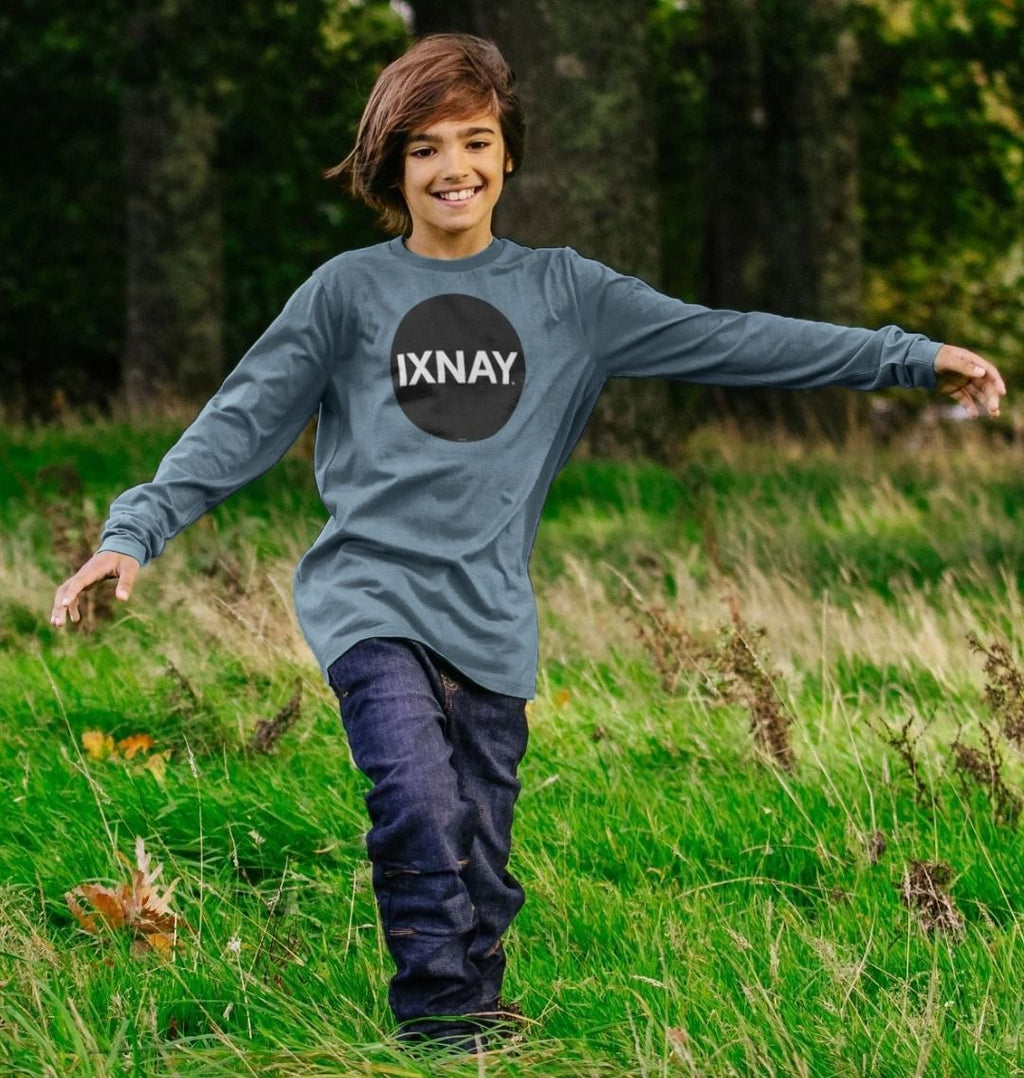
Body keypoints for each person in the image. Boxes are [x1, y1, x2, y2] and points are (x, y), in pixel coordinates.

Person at [51, 32, 1006, 1058]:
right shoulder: (345, 293)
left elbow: (733, 337)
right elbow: (240, 422)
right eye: (424, 148)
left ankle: (477, 1005)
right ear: (391, 166)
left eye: (474, 140)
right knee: (416, 801)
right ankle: (436, 1023)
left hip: (491, 619)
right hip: (368, 601)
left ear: (507, 153)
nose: (452, 166)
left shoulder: (569, 296)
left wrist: (910, 357)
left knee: (479, 849)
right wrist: (133, 534)